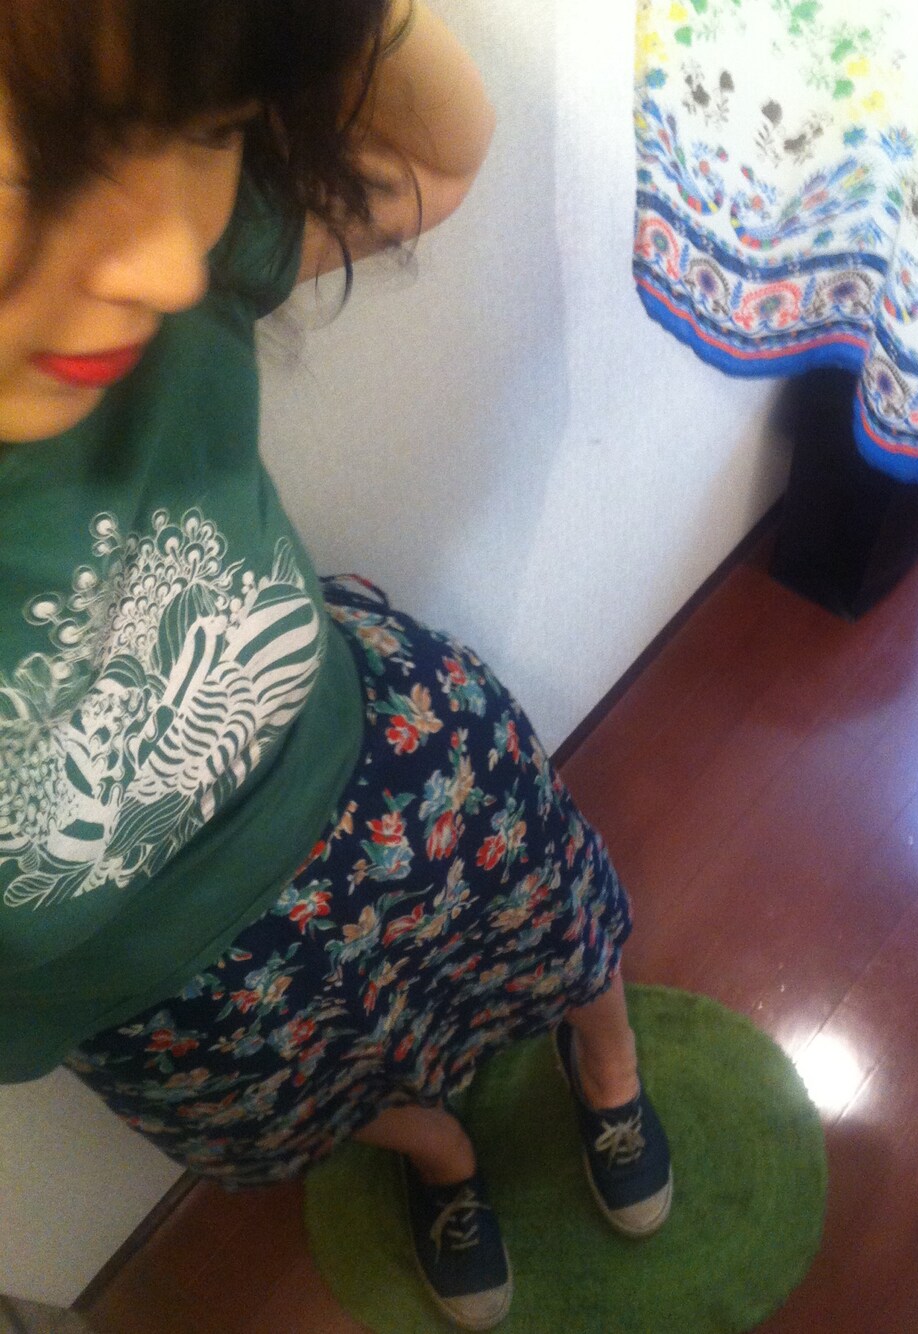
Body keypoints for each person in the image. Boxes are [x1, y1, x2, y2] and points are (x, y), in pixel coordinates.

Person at [0, 2, 672, 1327]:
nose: (167, 266)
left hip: (380, 773)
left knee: (557, 928)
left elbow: (429, 156)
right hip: (157, 998)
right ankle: (446, 1157)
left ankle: (608, 1065)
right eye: (38, 175)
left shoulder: (126, 318)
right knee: (326, 1101)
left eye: (203, 130)